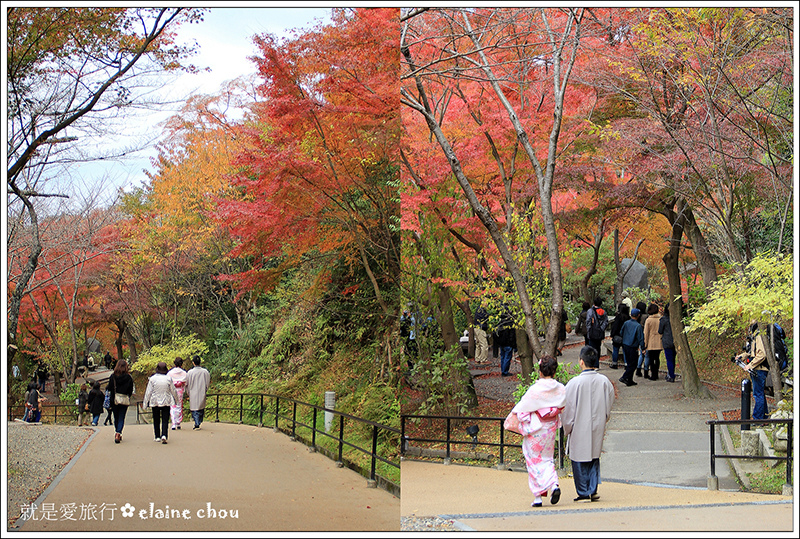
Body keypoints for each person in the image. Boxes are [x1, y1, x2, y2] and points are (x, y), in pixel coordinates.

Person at [511, 355, 566, 507]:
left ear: (540, 371)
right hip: (550, 428)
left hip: (536, 429)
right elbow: (563, 405)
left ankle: (538, 497)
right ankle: (553, 485)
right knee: (547, 459)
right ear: (554, 372)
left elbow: (522, 407)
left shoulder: (535, 390)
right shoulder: (560, 388)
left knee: (533, 459)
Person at [561, 346, 614, 502]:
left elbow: (568, 408)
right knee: (593, 456)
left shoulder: (574, 383)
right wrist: (604, 418)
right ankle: (592, 489)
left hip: (578, 425)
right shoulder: (604, 381)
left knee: (579, 458)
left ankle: (583, 491)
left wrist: (567, 427)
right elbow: (609, 402)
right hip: (597, 423)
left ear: (581, 361)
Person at [737, 321, 770, 420]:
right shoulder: (755, 335)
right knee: (760, 394)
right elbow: (751, 352)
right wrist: (741, 356)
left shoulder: (759, 336)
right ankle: (764, 417)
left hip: (759, 369)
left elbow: (762, 354)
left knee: (758, 394)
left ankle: (758, 418)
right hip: (757, 369)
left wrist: (750, 365)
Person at [143, 361, 180, 444]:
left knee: (156, 419)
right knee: (165, 419)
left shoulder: (152, 379)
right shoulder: (168, 379)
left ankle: (157, 436)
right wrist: (176, 400)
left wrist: (145, 403)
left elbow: (148, 392)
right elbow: (173, 390)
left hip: (155, 400)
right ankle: (164, 434)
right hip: (166, 400)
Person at [107, 359, 134, 443]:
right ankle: (118, 432)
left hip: (114, 399)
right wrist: (128, 395)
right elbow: (130, 389)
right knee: (122, 416)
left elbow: (109, 387)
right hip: (124, 399)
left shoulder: (113, 376)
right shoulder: (129, 377)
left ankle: (117, 431)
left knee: (116, 417)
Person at [619, 308, 645, 387]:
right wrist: (643, 347)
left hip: (625, 344)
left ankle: (629, 380)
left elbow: (621, 332)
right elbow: (640, 338)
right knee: (633, 364)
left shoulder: (626, 323)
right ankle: (624, 377)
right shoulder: (638, 326)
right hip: (633, 346)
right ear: (638, 315)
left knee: (629, 362)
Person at [185, 355, 211, 429]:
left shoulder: (189, 373)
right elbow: (207, 382)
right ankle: (198, 422)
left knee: (195, 409)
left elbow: (187, 383)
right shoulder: (205, 372)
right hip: (202, 391)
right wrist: (206, 389)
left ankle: (197, 423)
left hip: (193, 392)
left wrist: (188, 391)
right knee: (201, 408)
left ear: (193, 363)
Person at [643, 303, 663, 381]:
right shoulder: (660, 319)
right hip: (659, 341)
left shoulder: (648, 320)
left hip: (651, 342)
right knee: (657, 358)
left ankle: (653, 374)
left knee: (651, 359)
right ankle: (656, 373)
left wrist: (645, 343)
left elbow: (646, 333)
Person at [167, 357, 188, 430]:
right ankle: (178, 422)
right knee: (179, 405)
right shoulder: (184, 373)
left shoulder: (170, 373)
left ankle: (173, 423)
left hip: (172, 390)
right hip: (180, 391)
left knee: (173, 406)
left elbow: (168, 382)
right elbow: (186, 382)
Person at [608, 303, 630, 370]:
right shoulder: (628, 318)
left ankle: (615, 363)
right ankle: (626, 364)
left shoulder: (618, 317)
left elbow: (615, 327)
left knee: (615, 350)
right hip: (626, 336)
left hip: (617, 336)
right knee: (625, 351)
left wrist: (612, 334)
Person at [659, 305, 676, 382]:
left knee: (669, 359)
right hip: (675, 341)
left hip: (667, 341)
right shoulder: (675, 319)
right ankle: (671, 373)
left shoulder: (663, 319)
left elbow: (660, 331)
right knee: (672, 359)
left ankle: (671, 375)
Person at [635, 301, 649, 377]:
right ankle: (646, 371)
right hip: (645, 336)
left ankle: (638, 368)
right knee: (646, 355)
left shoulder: (637, 317)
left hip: (639, 337)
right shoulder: (646, 317)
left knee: (641, 354)